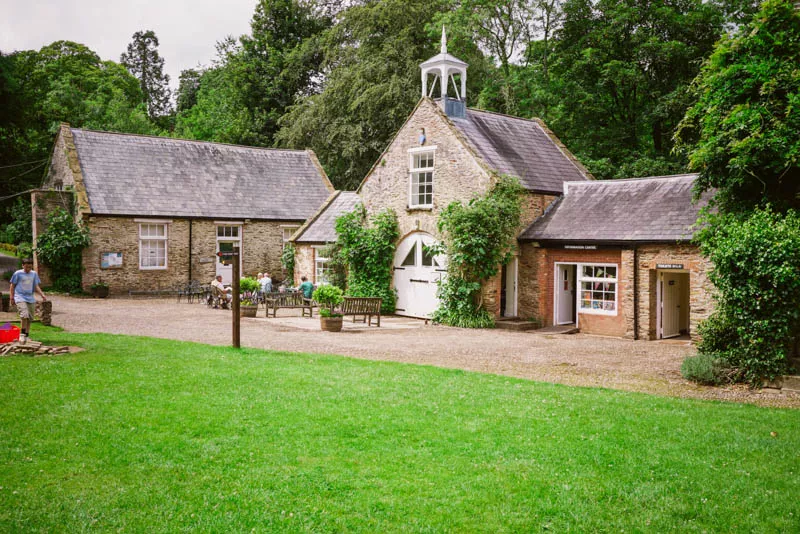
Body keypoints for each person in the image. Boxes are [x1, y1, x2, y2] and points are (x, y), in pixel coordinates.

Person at [9, 258, 46, 344]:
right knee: (24, 315)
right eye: (26, 267)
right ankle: (22, 335)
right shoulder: (18, 273)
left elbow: (36, 286)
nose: (28, 269)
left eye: (30, 267)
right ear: (22, 266)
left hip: (30, 297)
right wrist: (12, 297)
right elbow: (12, 286)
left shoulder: (34, 274)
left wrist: (42, 294)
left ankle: (26, 335)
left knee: (30, 318)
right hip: (19, 296)